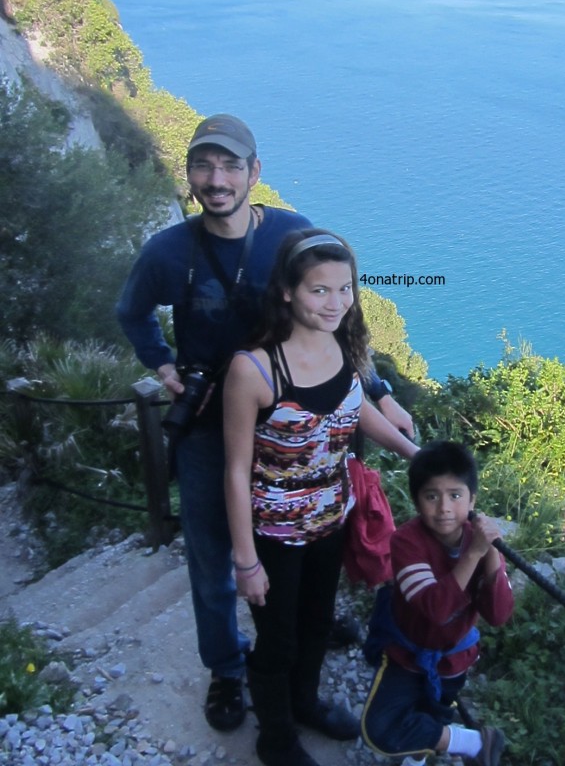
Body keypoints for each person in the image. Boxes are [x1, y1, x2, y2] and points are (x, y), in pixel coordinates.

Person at [116, 114, 414, 732]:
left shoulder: (289, 234)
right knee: (214, 553)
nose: (216, 179)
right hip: (208, 425)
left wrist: (379, 393)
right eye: (204, 165)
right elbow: (133, 311)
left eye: (231, 166)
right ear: (191, 174)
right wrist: (163, 364)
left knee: (306, 525)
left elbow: (339, 322)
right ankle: (228, 669)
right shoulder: (169, 252)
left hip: (293, 422)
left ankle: (298, 622)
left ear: (256, 173)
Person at [223, 228, 420, 766]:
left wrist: (412, 453)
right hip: (275, 532)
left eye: (345, 289)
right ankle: (276, 738)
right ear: (287, 290)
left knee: (316, 622)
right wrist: (245, 562)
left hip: (331, 517)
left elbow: (354, 411)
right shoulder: (255, 370)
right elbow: (236, 471)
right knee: (278, 639)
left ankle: (304, 702)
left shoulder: (341, 345)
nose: (336, 303)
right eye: (319, 291)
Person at [361, 440, 514, 766]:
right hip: (406, 655)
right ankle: (474, 742)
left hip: (454, 660)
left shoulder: (481, 543)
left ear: (472, 499)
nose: (444, 507)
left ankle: (416, 757)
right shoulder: (406, 542)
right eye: (432, 496)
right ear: (417, 501)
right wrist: (474, 553)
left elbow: (498, 614)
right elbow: (435, 609)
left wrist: (492, 555)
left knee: (431, 716)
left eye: (455, 495)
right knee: (379, 728)